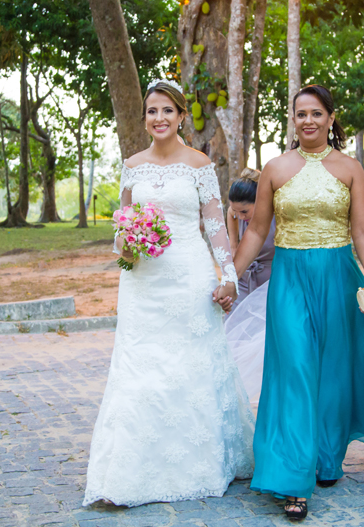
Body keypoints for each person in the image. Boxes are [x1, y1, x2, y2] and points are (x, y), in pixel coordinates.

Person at [231, 84, 364, 520]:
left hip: (338, 277)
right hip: (289, 279)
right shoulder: (275, 168)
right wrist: (228, 277)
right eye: (300, 114)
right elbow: (256, 231)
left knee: (332, 371)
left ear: (331, 119)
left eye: (316, 113)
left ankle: (328, 457)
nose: (307, 121)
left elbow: (363, 232)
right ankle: (292, 477)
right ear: (292, 120)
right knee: (293, 369)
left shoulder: (350, 169)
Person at [82, 80, 254, 508]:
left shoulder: (198, 164)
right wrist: (125, 244)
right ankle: (128, 471)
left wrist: (228, 276)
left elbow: (215, 226)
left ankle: (202, 461)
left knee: (191, 365)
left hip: (189, 275)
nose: (158, 119)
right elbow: (120, 225)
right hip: (141, 282)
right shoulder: (132, 165)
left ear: (181, 116)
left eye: (166, 111)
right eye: (151, 111)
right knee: (139, 367)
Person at [226, 168, 275, 312]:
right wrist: (234, 245)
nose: (240, 217)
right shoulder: (237, 213)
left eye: (244, 212)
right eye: (237, 212)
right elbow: (230, 214)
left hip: (270, 280)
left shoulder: (277, 214)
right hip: (245, 276)